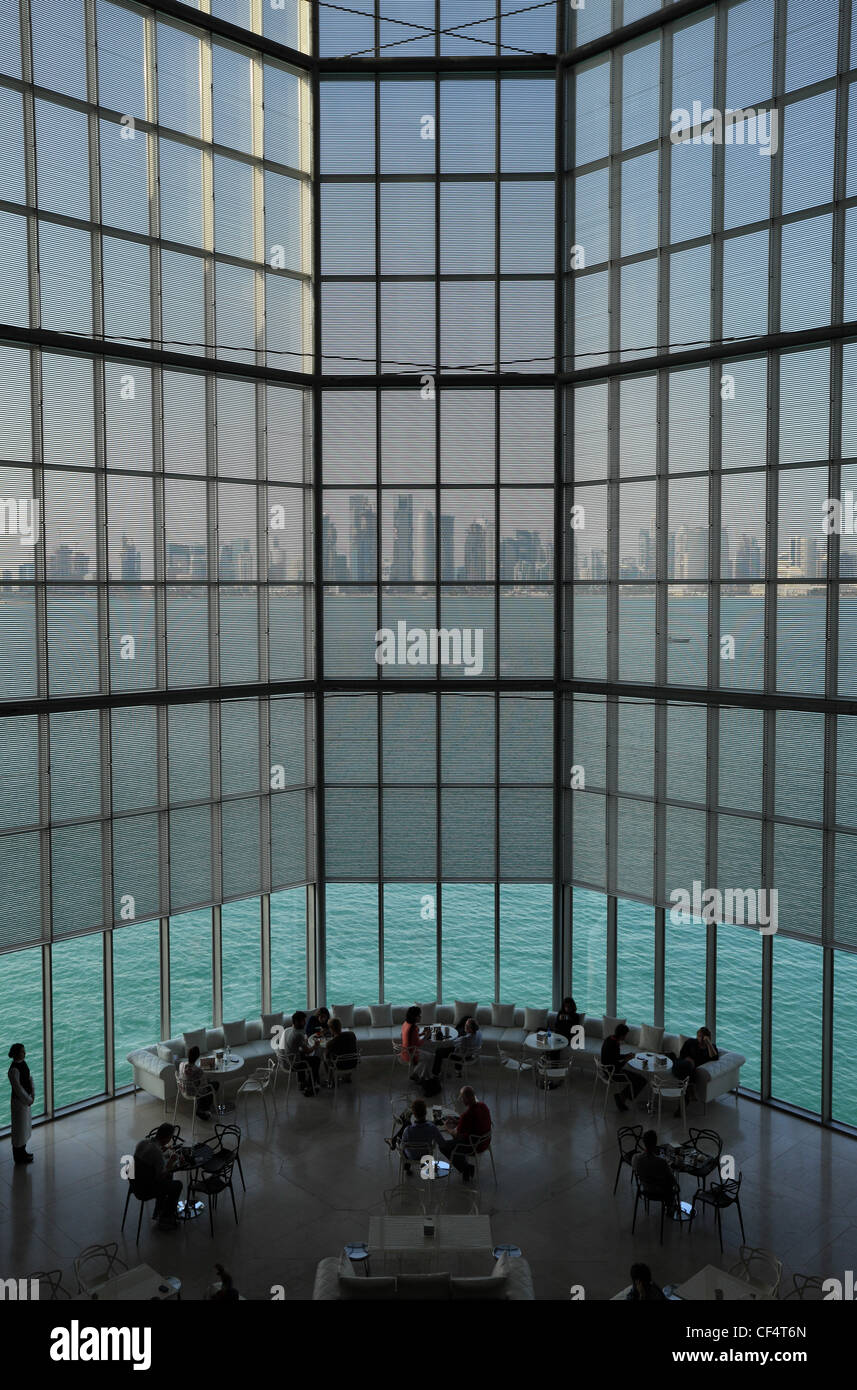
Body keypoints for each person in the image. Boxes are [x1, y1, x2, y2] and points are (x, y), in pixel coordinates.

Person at [132, 1123, 183, 1230]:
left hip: (135, 1183)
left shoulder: (142, 1143)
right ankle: (166, 1217)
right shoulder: (157, 1153)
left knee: (168, 1180)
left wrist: (161, 1150)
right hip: (145, 1190)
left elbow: (147, 1160)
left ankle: (160, 1211)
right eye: (170, 1137)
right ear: (167, 1138)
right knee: (177, 1185)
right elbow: (161, 1176)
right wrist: (172, 1160)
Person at [439, 1085, 491, 1183]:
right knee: (454, 1143)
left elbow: (456, 1135)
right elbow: (474, 1123)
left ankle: (465, 1168)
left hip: (473, 1146)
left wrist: (447, 1127)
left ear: (466, 1098)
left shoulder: (466, 1115)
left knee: (443, 1146)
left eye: (462, 1097)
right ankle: (464, 1165)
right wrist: (458, 1121)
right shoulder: (483, 1106)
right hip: (485, 1141)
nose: (461, 1100)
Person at [601, 1023, 646, 1112]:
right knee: (641, 1080)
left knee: (638, 1078)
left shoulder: (609, 1039)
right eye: (625, 1035)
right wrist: (626, 1060)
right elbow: (617, 1066)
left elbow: (614, 1057)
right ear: (622, 1035)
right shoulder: (615, 1045)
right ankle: (621, 1097)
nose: (626, 1037)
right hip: (612, 1073)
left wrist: (626, 1055)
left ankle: (621, 1098)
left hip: (605, 1069)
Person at [397, 1097, 446, 1175]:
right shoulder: (432, 1128)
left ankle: (407, 1168)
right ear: (426, 1112)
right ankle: (427, 1165)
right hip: (426, 1155)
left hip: (411, 1156)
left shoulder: (407, 1130)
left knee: (404, 1144)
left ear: (414, 1113)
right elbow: (442, 1143)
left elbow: (403, 1145)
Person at [632, 1130, 677, 1211]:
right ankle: (670, 1207)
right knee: (669, 1184)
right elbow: (673, 1181)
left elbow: (637, 1171)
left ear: (644, 1143)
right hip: (660, 1192)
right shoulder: (661, 1162)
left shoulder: (636, 1158)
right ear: (655, 1143)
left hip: (645, 1189)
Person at [7, 1043, 35, 1165]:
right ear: (16, 1053)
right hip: (19, 1103)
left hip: (25, 1101)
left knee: (23, 1128)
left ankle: (23, 1152)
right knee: (19, 1130)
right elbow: (18, 1089)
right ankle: (18, 1157)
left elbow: (29, 1079)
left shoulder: (22, 1064)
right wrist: (29, 1099)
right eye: (22, 1051)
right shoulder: (14, 1070)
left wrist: (31, 1095)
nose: (24, 1053)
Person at [284, 1011, 321, 1096]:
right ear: (297, 1022)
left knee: (302, 1054)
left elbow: (299, 1046)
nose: (305, 1023)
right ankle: (310, 1087)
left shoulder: (289, 1030)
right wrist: (316, 1045)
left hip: (287, 1060)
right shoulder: (298, 1034)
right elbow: (308, 1050)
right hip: (294, 1064)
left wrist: (304, 1043)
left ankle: (302, 1082)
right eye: (303, 1021)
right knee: (316, 1060)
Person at [178, 1046, 218, 1122]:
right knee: (214, 1084)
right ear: (198, 1056)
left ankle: (202, 1107)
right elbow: (204, 1085)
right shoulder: (198, 1070)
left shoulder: (181, 1065)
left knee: (201, 1086)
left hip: (184, 1090)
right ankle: (204, 1108)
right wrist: (208, 1079)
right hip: (194, 1092)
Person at [325, 1016, 358, 1085]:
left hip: (340, 1066)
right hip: (353, 1062)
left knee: (326, 1057)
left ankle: (331, 1080)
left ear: (331, 1029)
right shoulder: (351, 1034)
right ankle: (347, 1077)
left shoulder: (331, 1043)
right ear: (340, 1026)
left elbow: (327, 1056)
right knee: (348, 1051)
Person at [401, 1006, 428, 1075]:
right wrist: (426, 1036)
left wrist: (421, 1034)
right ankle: (415, 1074)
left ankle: (420, 1074)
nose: (420, 1017)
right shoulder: (413, 1028)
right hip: (411, 1055)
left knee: (427, 1055)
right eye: (419, 1015)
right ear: (414, 1017)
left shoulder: (406, 1024)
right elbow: (418, 1044)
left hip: (404, 1052)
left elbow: (411, 1037)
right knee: (430, 1057)